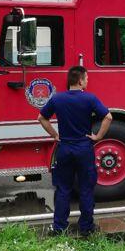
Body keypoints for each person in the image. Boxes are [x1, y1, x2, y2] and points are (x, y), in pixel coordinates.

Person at [38, 66, 113, 236]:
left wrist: (55, 135)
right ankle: (86, 227)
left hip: (64, 148)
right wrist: (98, 136)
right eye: (86, 78)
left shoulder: (57, 99)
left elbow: (41, 118)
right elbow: (108, 117)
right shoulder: (90, 99)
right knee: (86, 189)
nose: (87, 81)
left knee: (63, 189)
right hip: (84, 149)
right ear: (80, 80)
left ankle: (59, 228)